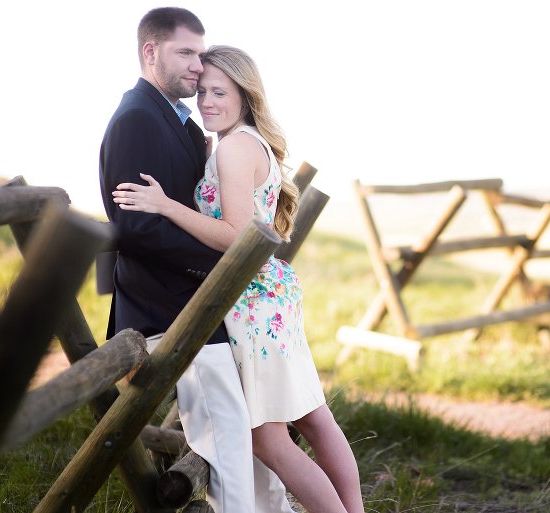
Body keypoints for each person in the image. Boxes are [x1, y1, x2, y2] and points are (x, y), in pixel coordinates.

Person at [111, 45, 365, 513]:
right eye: (202, 91)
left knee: (267, 438)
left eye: (219, 92)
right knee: (313, 417)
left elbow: (234, 237)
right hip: (269, 294)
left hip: (251, 302)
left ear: (245, 95)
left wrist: (168, 206)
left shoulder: (235, 147)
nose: (206, 100)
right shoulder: (242, 141)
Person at [99, 8, 294, 513]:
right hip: (168, 310)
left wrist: (223, 272)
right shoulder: (138, 119)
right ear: (151, 51)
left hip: (207, 306)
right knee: (228, 438)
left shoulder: (182, 123)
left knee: (250, 436)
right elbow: (137, 229)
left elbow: (191, 210)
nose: (195, 66)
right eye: (185, 53)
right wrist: (225, 265)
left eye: (199, 55)